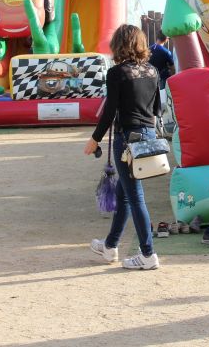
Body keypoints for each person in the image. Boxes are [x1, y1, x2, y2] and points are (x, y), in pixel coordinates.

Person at [84, 24, 161, 271]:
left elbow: (109, 112)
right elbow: (157, 108)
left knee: (134, 196)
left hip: (127, 138)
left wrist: (94, 139)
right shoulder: (152, 70)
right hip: (148, 135)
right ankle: (110, 246)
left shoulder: (117, 73)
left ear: (118, 45)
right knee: (125, 193)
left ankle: (148, 254)